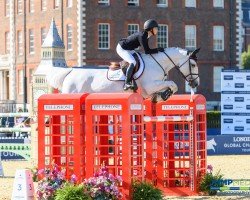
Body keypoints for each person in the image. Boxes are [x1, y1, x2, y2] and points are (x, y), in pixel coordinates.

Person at [116, 19, 164, 91]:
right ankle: (127, 83)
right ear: (151, 29)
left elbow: (147, 50)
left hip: (129, 49)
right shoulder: (142, 36)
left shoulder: (146, 35)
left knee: (139, 58)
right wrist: (157, 50)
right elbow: (147, 51)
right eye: (155, 28)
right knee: (133, 62)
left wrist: (157, 50)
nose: (157, 30)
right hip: (122, 48)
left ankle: (133, 79)